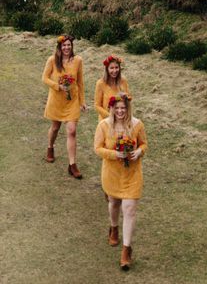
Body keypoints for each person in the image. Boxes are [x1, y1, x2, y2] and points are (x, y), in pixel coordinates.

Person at [94, 94, 147, 270]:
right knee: (114, 203)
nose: (120, 111)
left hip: (132, 175)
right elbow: (98, 148)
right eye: (117, 108)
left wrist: (139, 152)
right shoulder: (104, 125)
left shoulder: (137, 125)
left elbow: (144, 144)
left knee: (129, 209)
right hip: (112, 174)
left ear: (128, 108)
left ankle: (126, 250)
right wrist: (115, 154)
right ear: (112, 109)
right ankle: (114, 227)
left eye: (123, 108)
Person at [42, 34, 87, 178]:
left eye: (69, 45)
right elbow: (44, 78)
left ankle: (72, 165)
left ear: (72, 47)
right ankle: (50, 147)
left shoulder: (78, 60)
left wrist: (82, 101)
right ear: (60, 47)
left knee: (72, 131)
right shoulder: (52, 60)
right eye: (64, 45)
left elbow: (80, 82)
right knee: (55, 127)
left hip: (72, 101)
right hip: (56, 100)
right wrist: (58, 86)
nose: (67, 48)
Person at [94, 55, 132, 122]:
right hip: (106, 120)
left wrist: (126, 97)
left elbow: (129, 97)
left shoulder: (123, 81)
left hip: (122, 119)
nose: (114, 71)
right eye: (111, 68)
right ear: (107, 69)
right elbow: (97, 106)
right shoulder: (100, 83)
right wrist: (110, 116)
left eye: (116, 67)